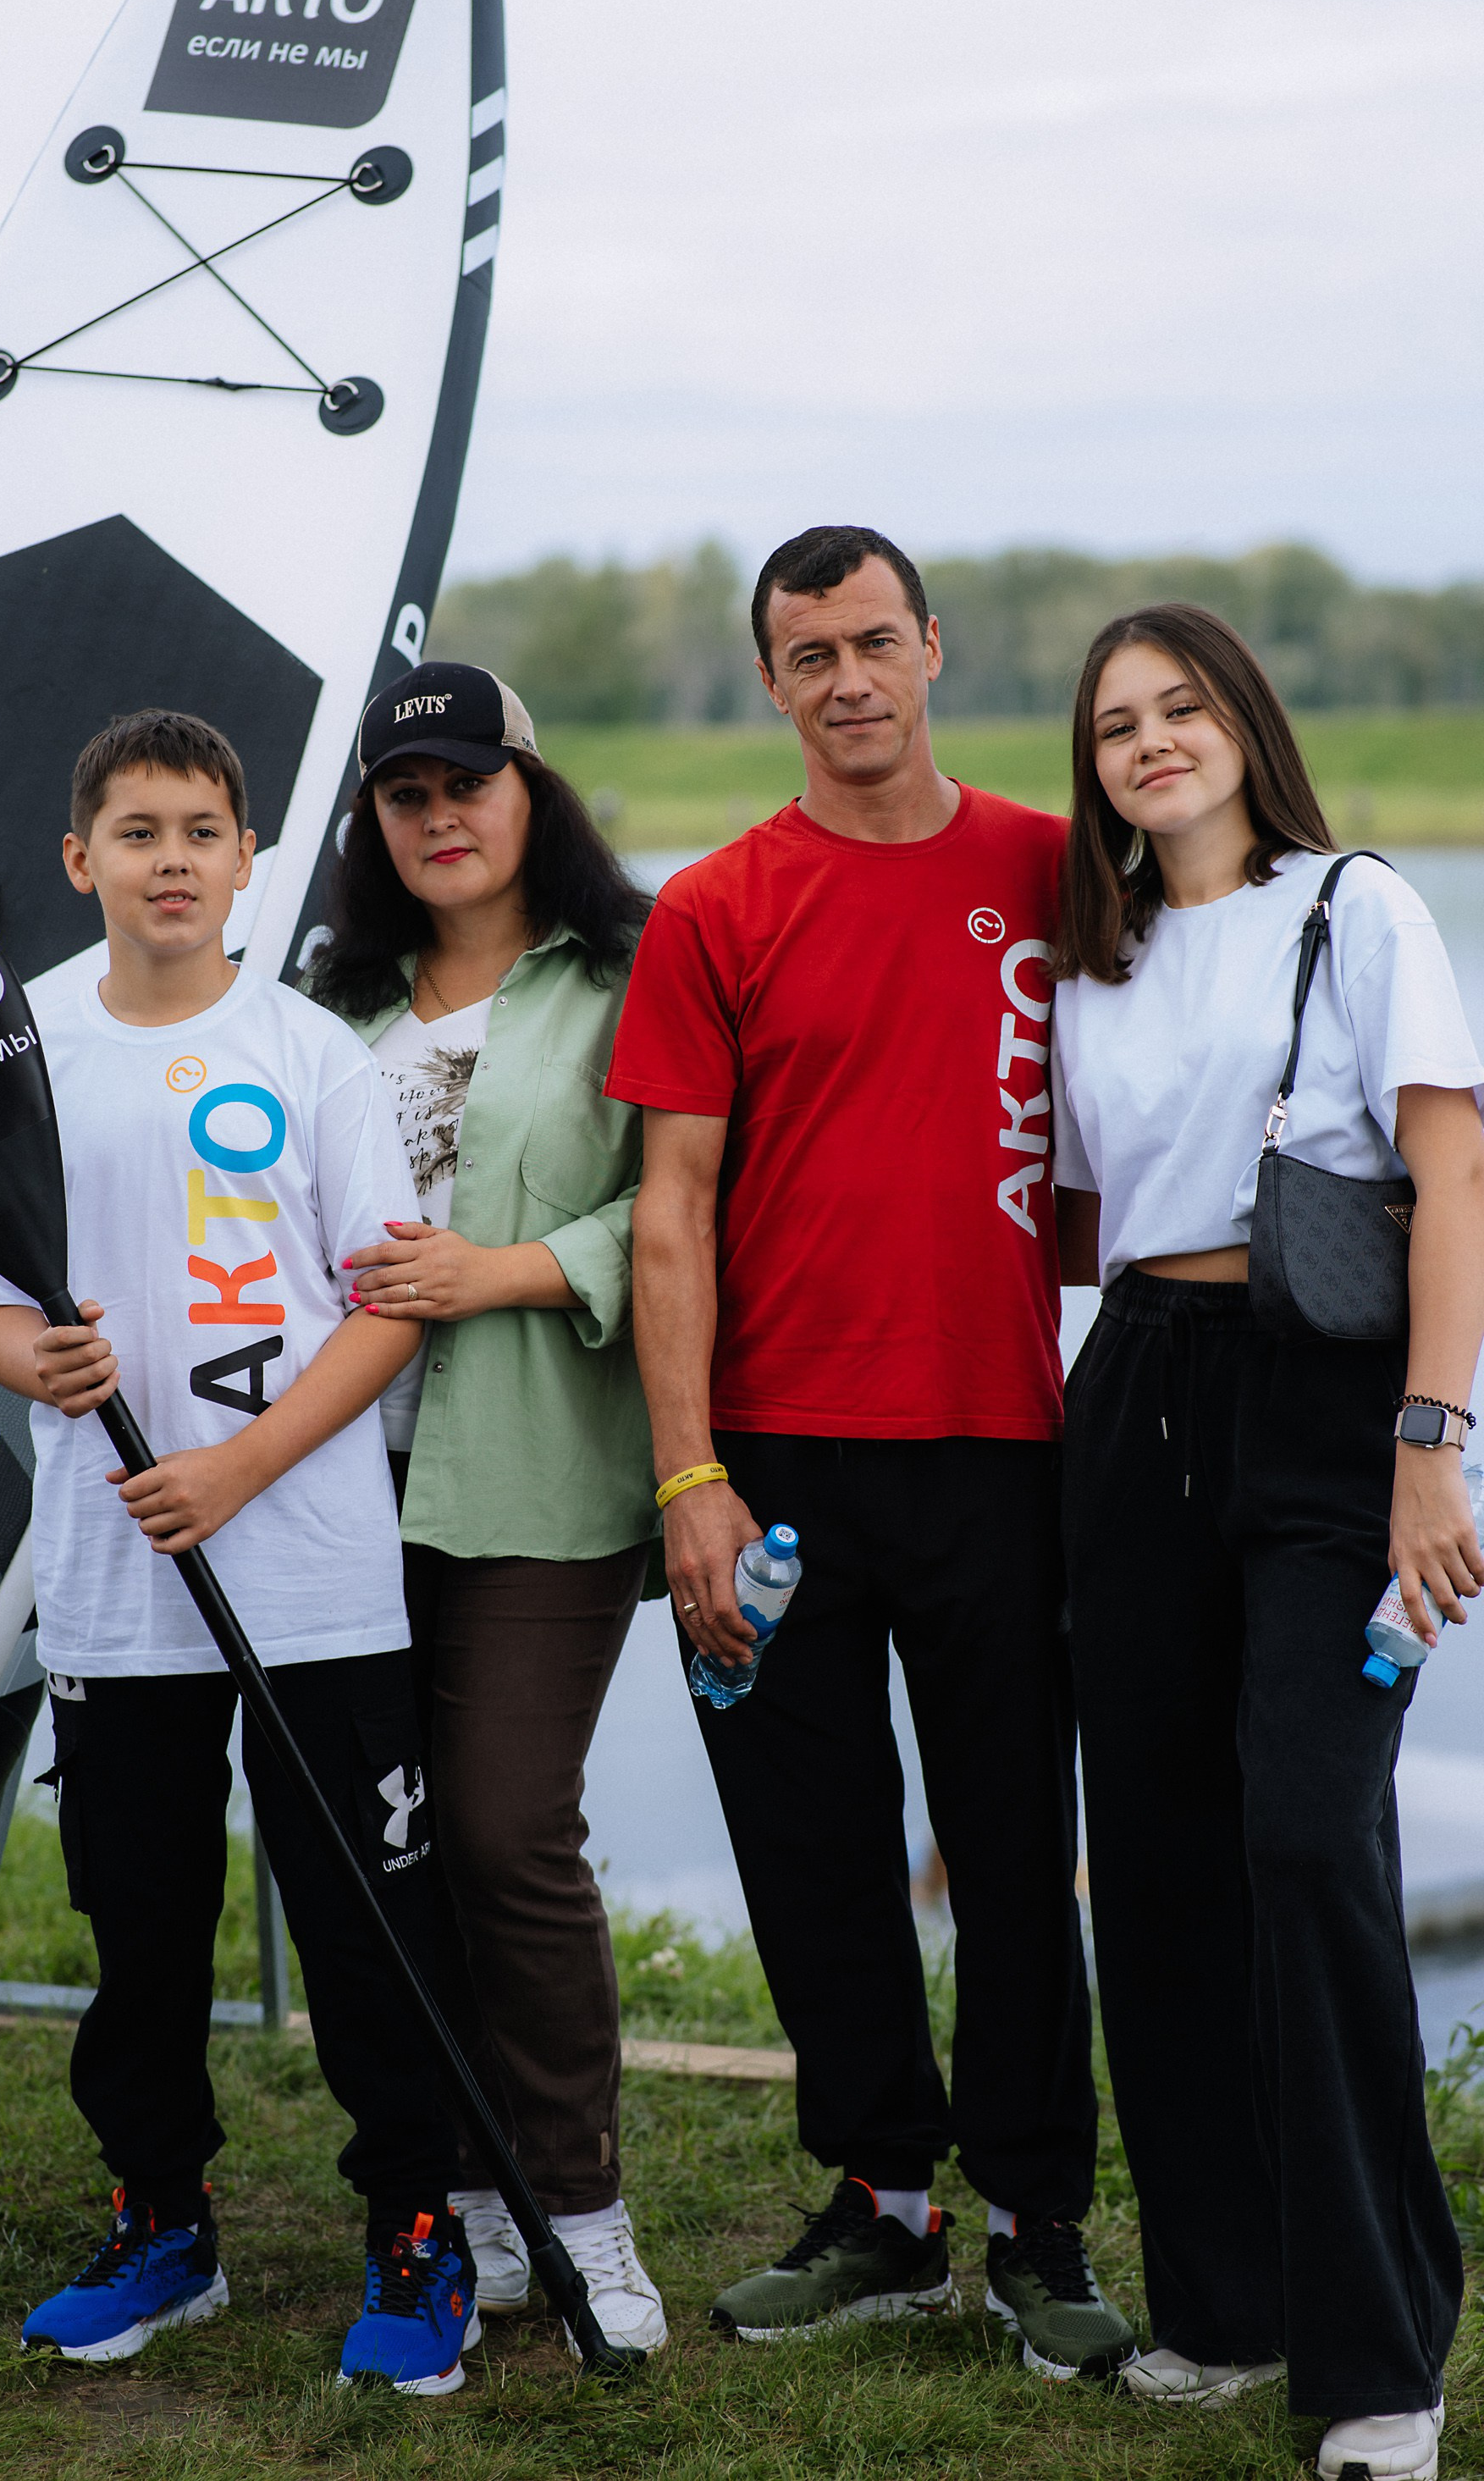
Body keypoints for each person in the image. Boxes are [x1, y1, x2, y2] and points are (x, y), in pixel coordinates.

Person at [607, 526, 1134, 2376]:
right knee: (813, 1851)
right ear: (771, 682)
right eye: (809, 653)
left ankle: (1039, 2224)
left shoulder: (1059, 874)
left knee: (1013, 1851)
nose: (848, 679)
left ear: (932, 649)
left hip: (1002, 1447)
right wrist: (689, 1477)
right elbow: (670, 1214)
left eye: (874, 642)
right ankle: (885, 2206)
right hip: (771, 1468)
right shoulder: (714, 908)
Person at [0, 708, 483, 2395]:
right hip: (116, 1581)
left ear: (250, 859)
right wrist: (29, 1359)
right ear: (80, 859)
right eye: (138, 831)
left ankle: (418, 2229)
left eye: (201, 831)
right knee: (144, 1930)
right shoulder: (25, 1050)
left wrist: (243, 1466)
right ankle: (162, 2221)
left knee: (367, 1929)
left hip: (313, 1573)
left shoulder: (313, 1053)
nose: (171, 860)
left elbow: (388, 1309)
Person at [1050, 605, 1484, 2481]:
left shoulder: (1357, 908)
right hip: (1137, 1390)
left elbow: (1453, 1171)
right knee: (1154, 1863)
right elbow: (1086, 1217)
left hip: (1327, 1404)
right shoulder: (1095, 962)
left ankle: (1381, 2354)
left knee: (1308, 1838)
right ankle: (1219, 2306)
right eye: (1116, 725)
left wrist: (1431, 1446)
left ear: (1243, 721)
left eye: (1182, 707)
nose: (1152, 742)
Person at [302, 660, 667, 2357]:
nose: (440, 815)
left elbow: (689, 1209)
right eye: (406, 793)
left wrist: (499, 1271)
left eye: (469, 781)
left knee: (510, 1829)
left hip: (540, 1470)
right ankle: (468, 2197)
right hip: (336, 1480)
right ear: (372, 822)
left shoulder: (630, 975)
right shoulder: (323, 1003)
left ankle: (581, 2205)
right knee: (399, 1843)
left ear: (533, 789)